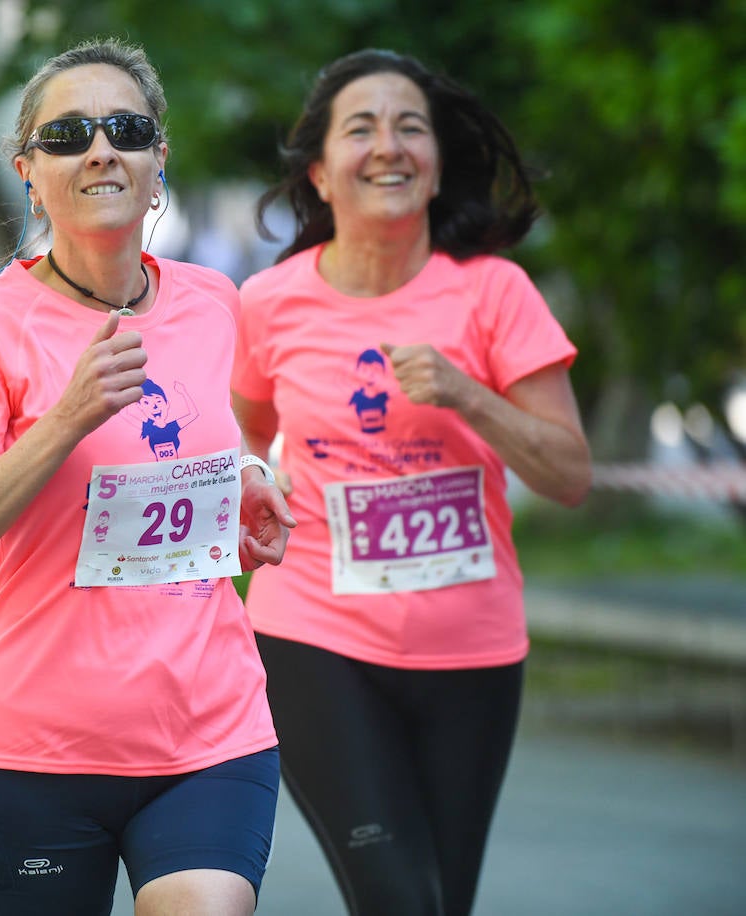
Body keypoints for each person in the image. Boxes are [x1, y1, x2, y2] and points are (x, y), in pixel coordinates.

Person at [0, 38, 296, 916]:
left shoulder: (213, 303)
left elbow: (208, 440)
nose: (99, 149)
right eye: (67, 135)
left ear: (158, 161)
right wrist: (67, 418)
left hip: (210, 729)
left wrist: (247, 475)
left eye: (125, 128)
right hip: (35, 749)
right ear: (29, 174)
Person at [232, 49, 593, 916]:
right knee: (401, 899)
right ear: (321, 172)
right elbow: (247, 432)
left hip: (472, 651)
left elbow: (569, 473)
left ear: (434, 169)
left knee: (440, 902)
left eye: (410, 128)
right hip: (314, 638)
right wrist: (259, 487)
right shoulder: (269, 304)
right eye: (361, 128)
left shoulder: (495, 295)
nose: (388, 145)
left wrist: (470, 396)